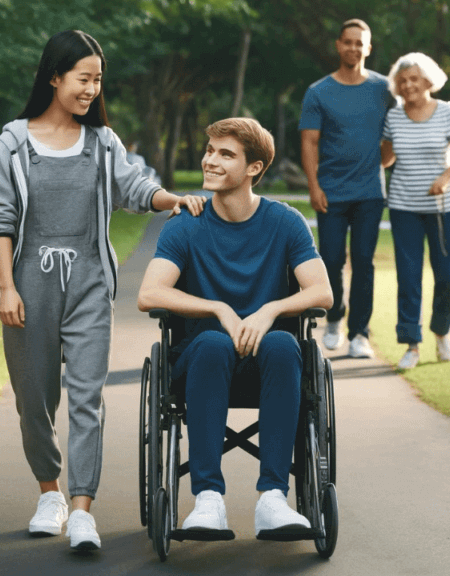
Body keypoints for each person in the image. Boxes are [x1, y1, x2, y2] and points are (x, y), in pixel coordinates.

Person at [0, 30, 206, 551]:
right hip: (29, 286)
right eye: (83, 78)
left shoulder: (102, 142)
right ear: (54, 76)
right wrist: (7, 288)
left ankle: (82, 508)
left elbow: (133, 185)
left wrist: (171, 198)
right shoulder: (12, 142)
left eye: (97, 79)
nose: (91, 88)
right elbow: (0, 219)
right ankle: (50, 493)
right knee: (33, 401)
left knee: (87, 398)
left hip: (87, 284)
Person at [137, 118, 333, 536]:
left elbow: (322, 293)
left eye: (225, 154)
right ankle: (208, 500)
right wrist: (219, 309)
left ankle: (273, 501)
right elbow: (149, 294)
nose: (210, 160)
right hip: (203, 361)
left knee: (283, 344)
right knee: (211, 343)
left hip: (271, 363)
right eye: (210, 151)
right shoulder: (186, 224)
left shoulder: (285, 222)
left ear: (254, 169)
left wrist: (270, 310)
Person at [299, 18, 394, 357]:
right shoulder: (319, 92)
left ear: (368, 48)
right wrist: (314, 186)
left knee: (364, 262)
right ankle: (335, 320)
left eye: (360, 43)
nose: (354, 48)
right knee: (332, 259)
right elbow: (309, 142)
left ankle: (360, 335)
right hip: (332, 192)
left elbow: (397, 128)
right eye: (348, 42)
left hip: (370, 193)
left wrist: (383, 159)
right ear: (338, 46)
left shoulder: (385, 89)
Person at [380, 53, 450, 370]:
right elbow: (386, 159)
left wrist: (445, 178)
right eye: (403, 80)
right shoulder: (393, 116)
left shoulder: (446, 111)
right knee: (409, 278)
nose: (408, 85)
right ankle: (411, 344)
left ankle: (442, 331)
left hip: (443, 208)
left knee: (447, 274)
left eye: (414, 79)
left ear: (428, 81)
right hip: (404, 206)